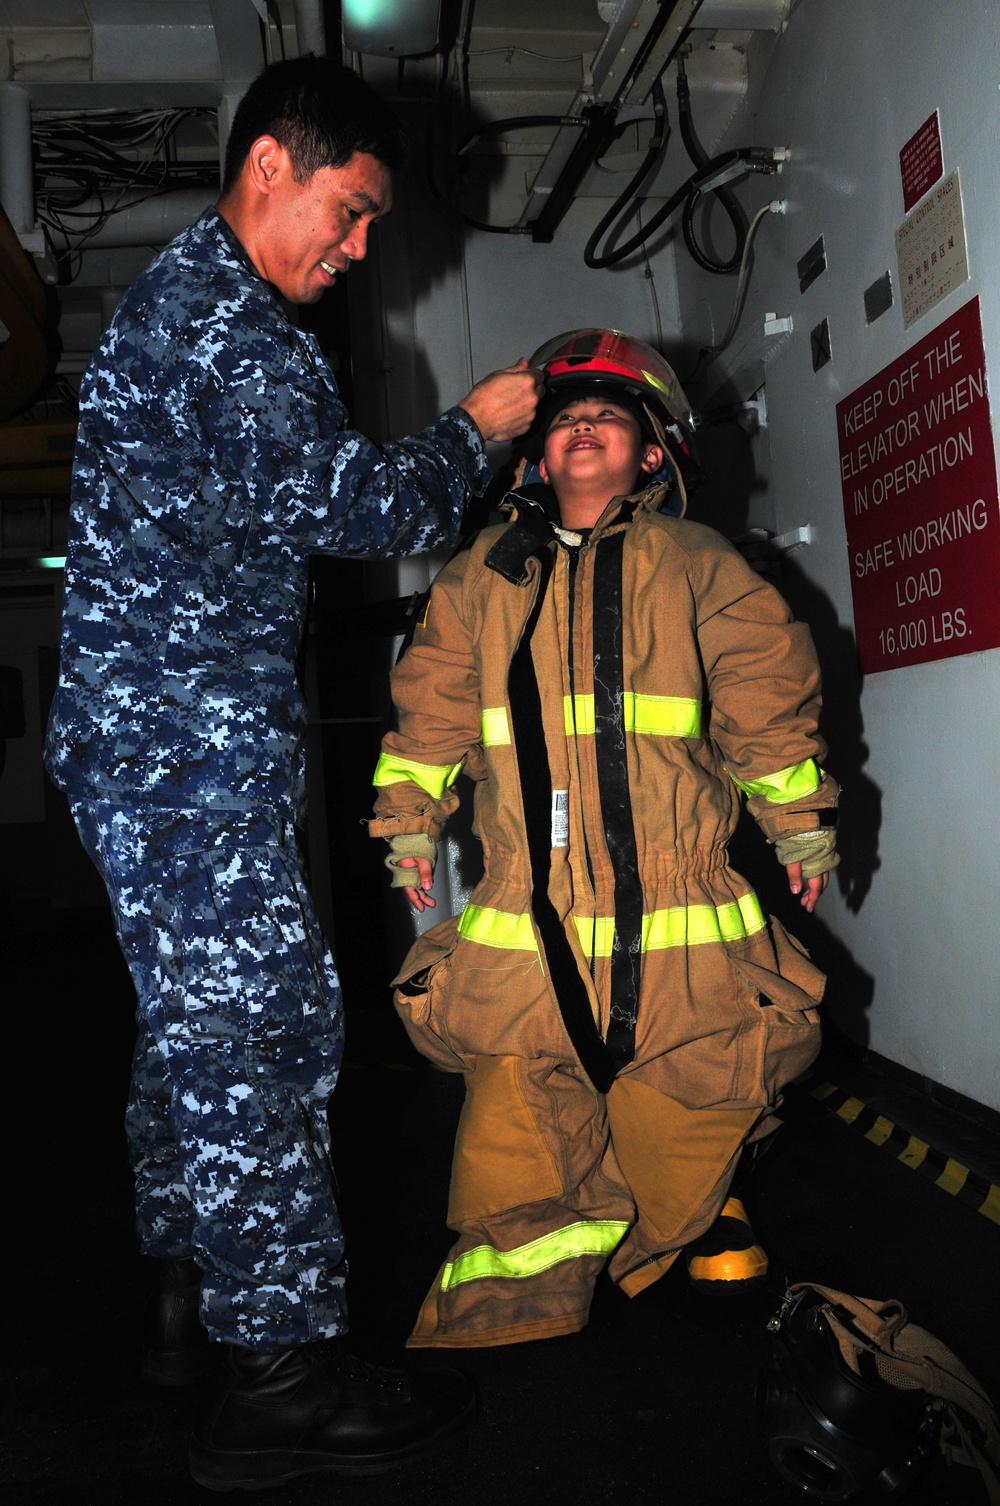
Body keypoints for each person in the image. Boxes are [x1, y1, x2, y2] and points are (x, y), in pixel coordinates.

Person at [43, 54, 541, 1488]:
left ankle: (189, 1303)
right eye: (353, 209)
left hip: (158, 742)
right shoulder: (228, 325)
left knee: (188, 1035)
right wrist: (478, 428)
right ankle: (283, 1378)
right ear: (271, 164)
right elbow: (353, 503)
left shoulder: (183, 308)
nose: (362, 245)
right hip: (179, 750)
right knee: (258, 1028)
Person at [370, 328, 839, 1349]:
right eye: (564, 420)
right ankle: (520, 1281)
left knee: (698, 1073)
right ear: (534, 457)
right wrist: (408, 821)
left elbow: (764, 696)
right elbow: (431, 708)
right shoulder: (479, 576)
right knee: (519, 1093)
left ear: (655, 453)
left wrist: (798, 822)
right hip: (525, 906)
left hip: (679, 904)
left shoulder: (700, 563)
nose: (583, 427)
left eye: (609, 418)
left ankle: (701, 1202)